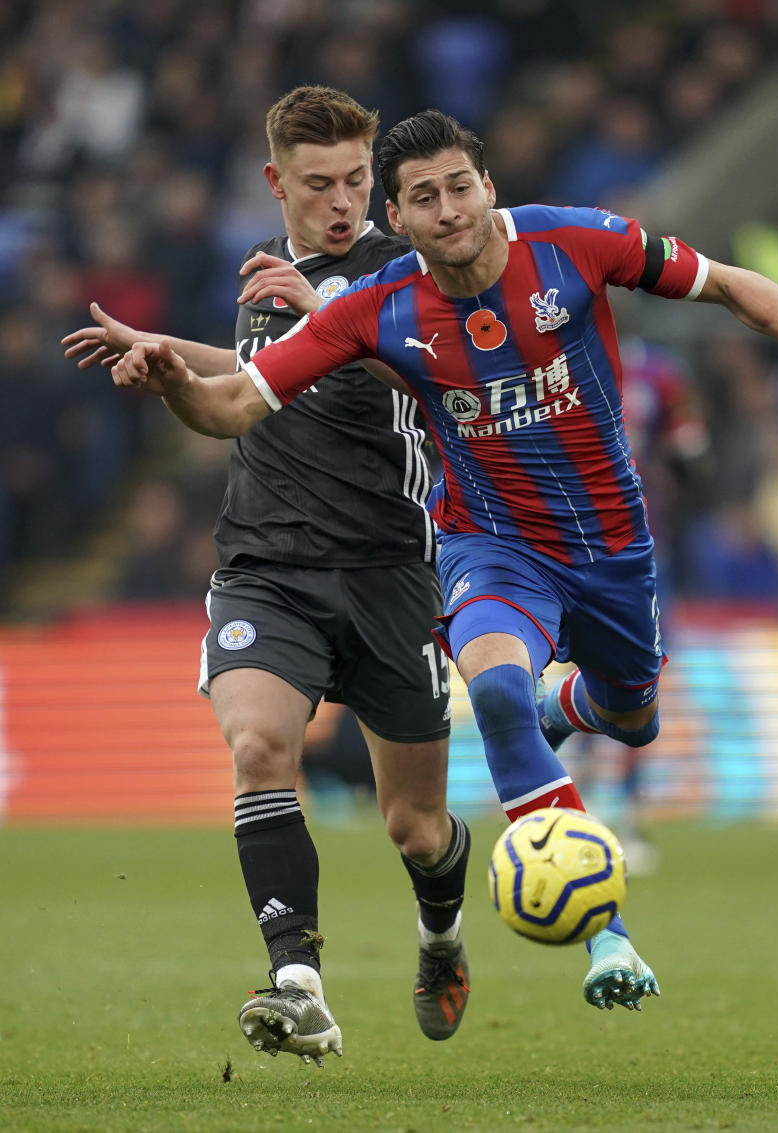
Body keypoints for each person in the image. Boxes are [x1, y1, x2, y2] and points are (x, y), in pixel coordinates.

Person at [107, 108, 778, 1015]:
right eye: (424, 198)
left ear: (488, 187)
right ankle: (602, 927)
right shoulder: (378, 307)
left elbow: (725, 282)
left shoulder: (577, 241)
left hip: (612, 547)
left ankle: (558, 702)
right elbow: (233, 408)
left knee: (631, 715)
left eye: (459, 187)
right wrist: (173, 378)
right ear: (400, 222)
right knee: (485, 691)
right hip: (487, 545)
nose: (447, 209)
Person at [63, 89, 473, 1065]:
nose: (342, 203)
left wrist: (324, 305)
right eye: (319, 184)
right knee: (257, 747)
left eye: (356, 183)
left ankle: (440, 937)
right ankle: (299, 978)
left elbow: (438, 377)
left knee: (415, 826)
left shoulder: (406, 268)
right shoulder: (266, 283)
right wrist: (166, 367)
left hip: (388, 573)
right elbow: (252, 383)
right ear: (275, 181)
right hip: (267, 566)